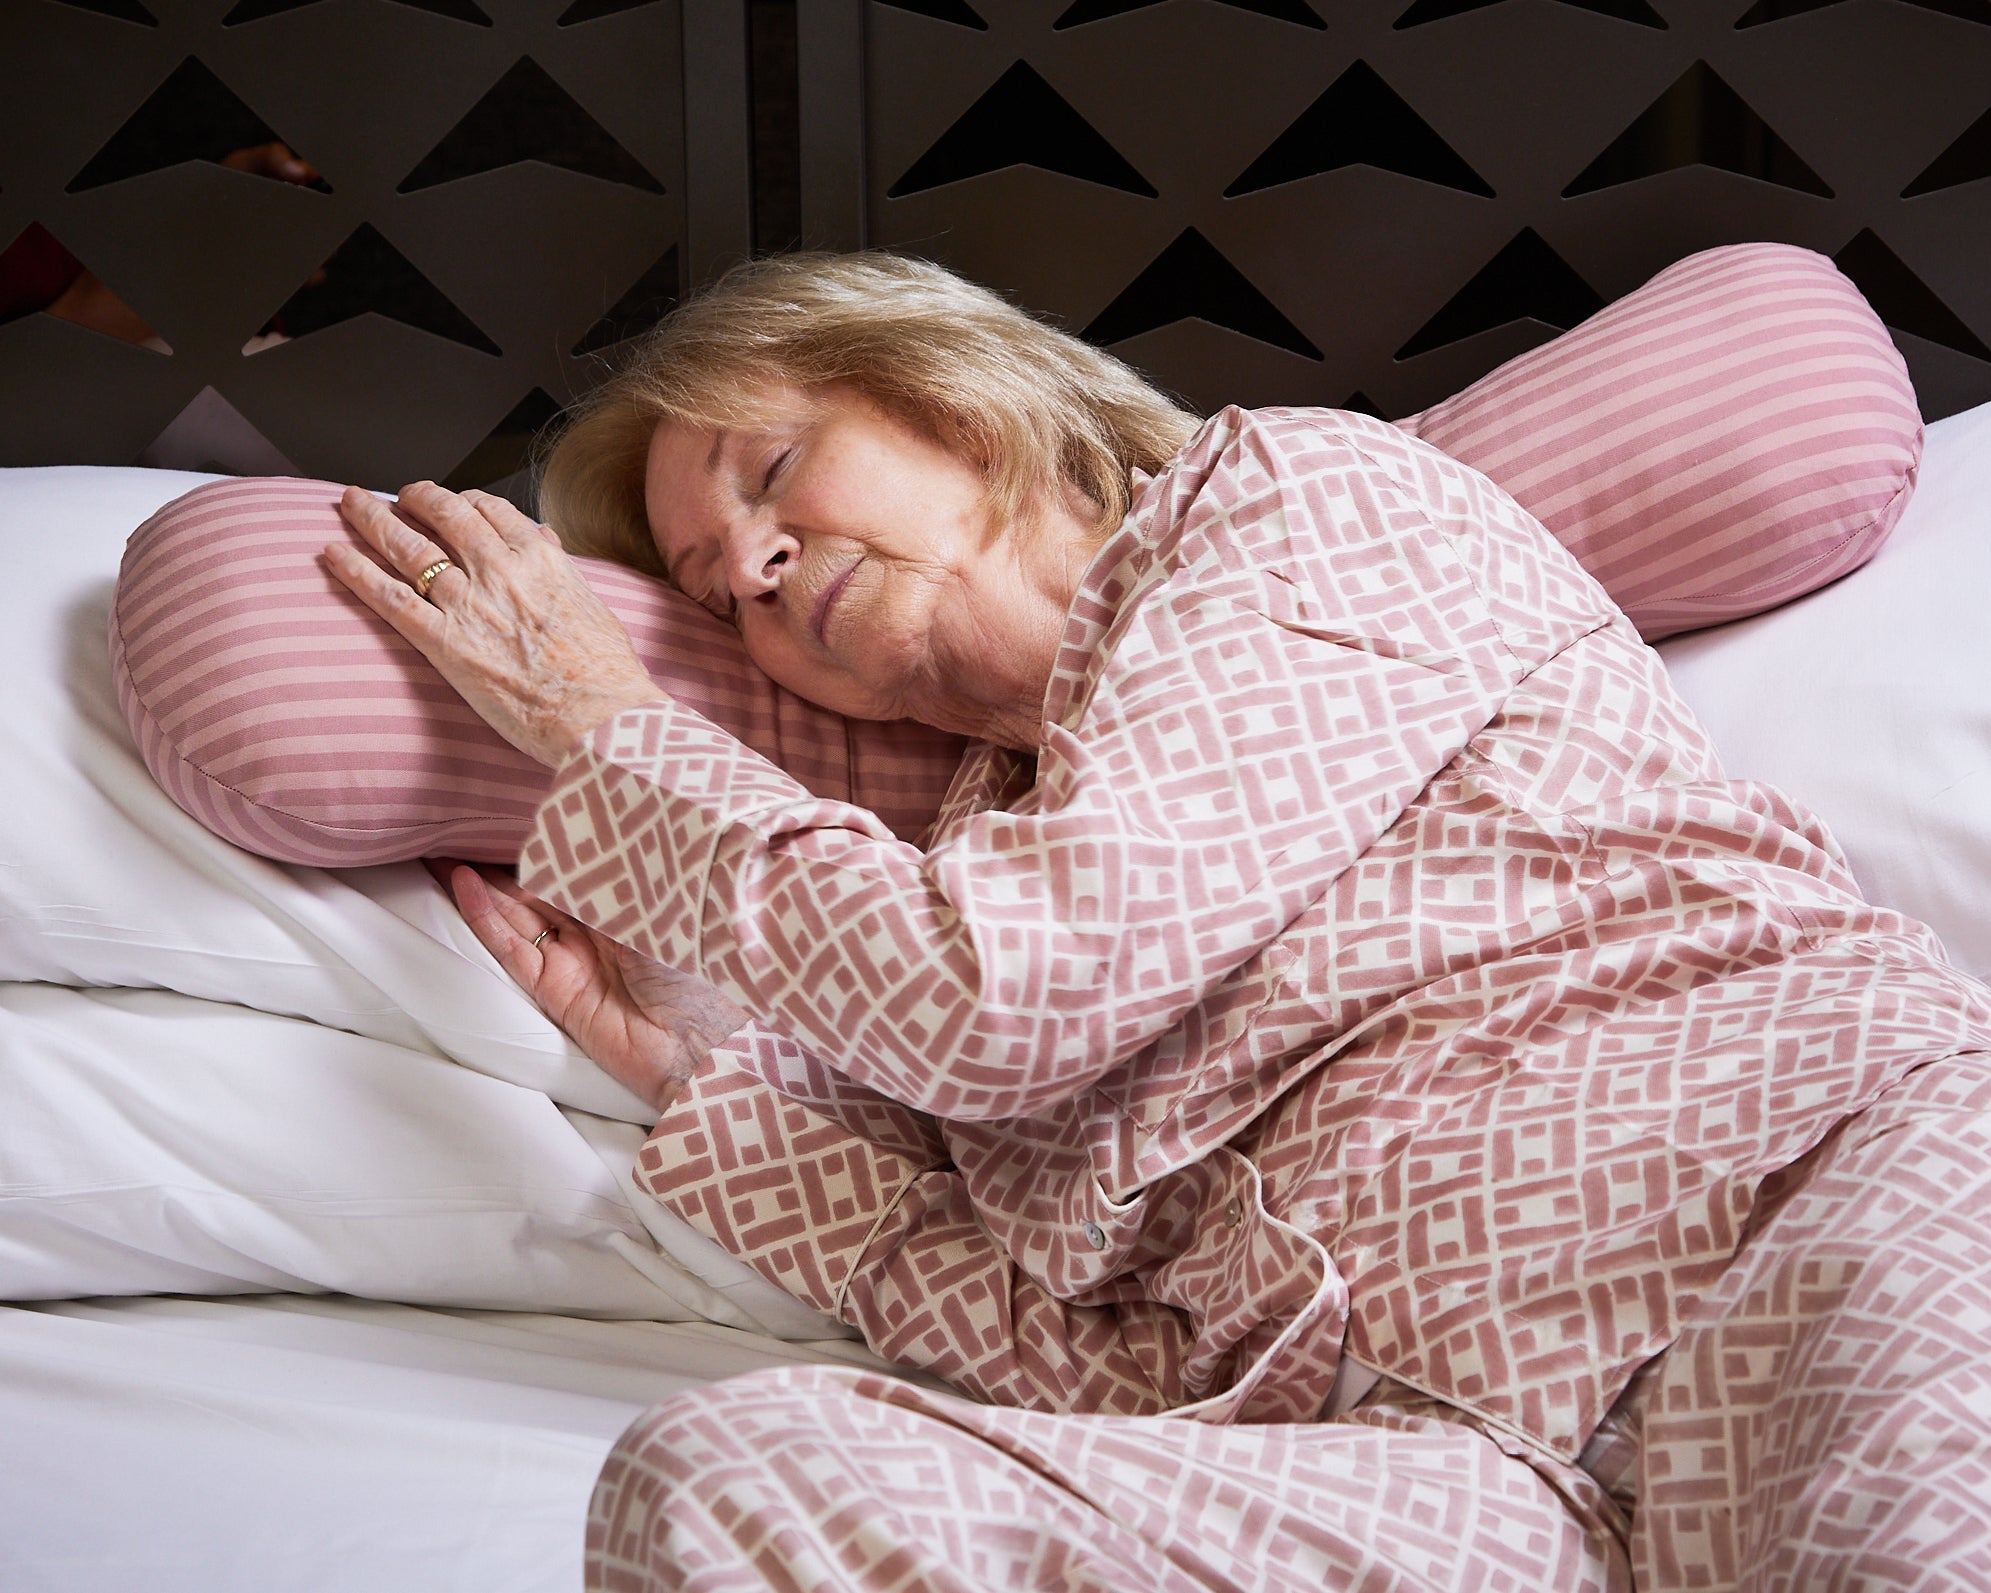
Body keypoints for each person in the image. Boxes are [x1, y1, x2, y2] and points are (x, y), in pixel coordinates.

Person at [323, 252, 1991, 1591]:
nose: (752, 562)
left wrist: (608, 729)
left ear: (950, 396)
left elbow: (1011, 991)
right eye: (706, 592)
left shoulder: (1297, 508)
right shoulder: (972, 862)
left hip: (1796, 1216)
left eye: (769, 472)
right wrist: (719, 1089)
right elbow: (1106, 1367)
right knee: (733, 1487)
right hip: (1481, 1481)